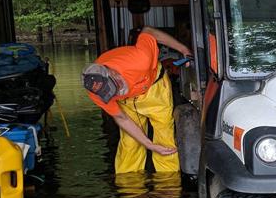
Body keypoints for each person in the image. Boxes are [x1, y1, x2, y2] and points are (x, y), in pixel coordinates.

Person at [81, 27, 193, 174]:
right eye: (110, 94)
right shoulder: (96, 93)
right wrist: (148, 144)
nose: (116, 92)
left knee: (164, 140)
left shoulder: (140, 59)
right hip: (127, 103)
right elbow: (121, 118)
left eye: (115, 86)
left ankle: (168, 183)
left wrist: (183, 49)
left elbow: (148, 31)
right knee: (130, 143)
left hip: (154, 90)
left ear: (112, 72)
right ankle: (129, 184)